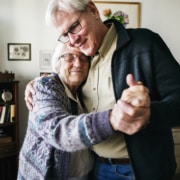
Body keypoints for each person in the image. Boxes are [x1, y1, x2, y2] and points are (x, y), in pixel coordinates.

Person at [24, 0, 180, 179]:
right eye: (65, 34)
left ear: (93, 10)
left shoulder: (145, 43)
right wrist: (38, 82)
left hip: (143, 170)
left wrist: (149, 114)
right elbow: (62, 75)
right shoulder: (83, 58)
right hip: (96, 169)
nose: (73, 40)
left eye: (74, 26)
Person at [19, 43, 150, 180]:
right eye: (69, 57)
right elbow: (57, 130)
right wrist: (112, 119)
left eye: (83, 58)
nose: (78, 63)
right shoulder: (44, 87)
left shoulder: (84, 90)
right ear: (58, 63)